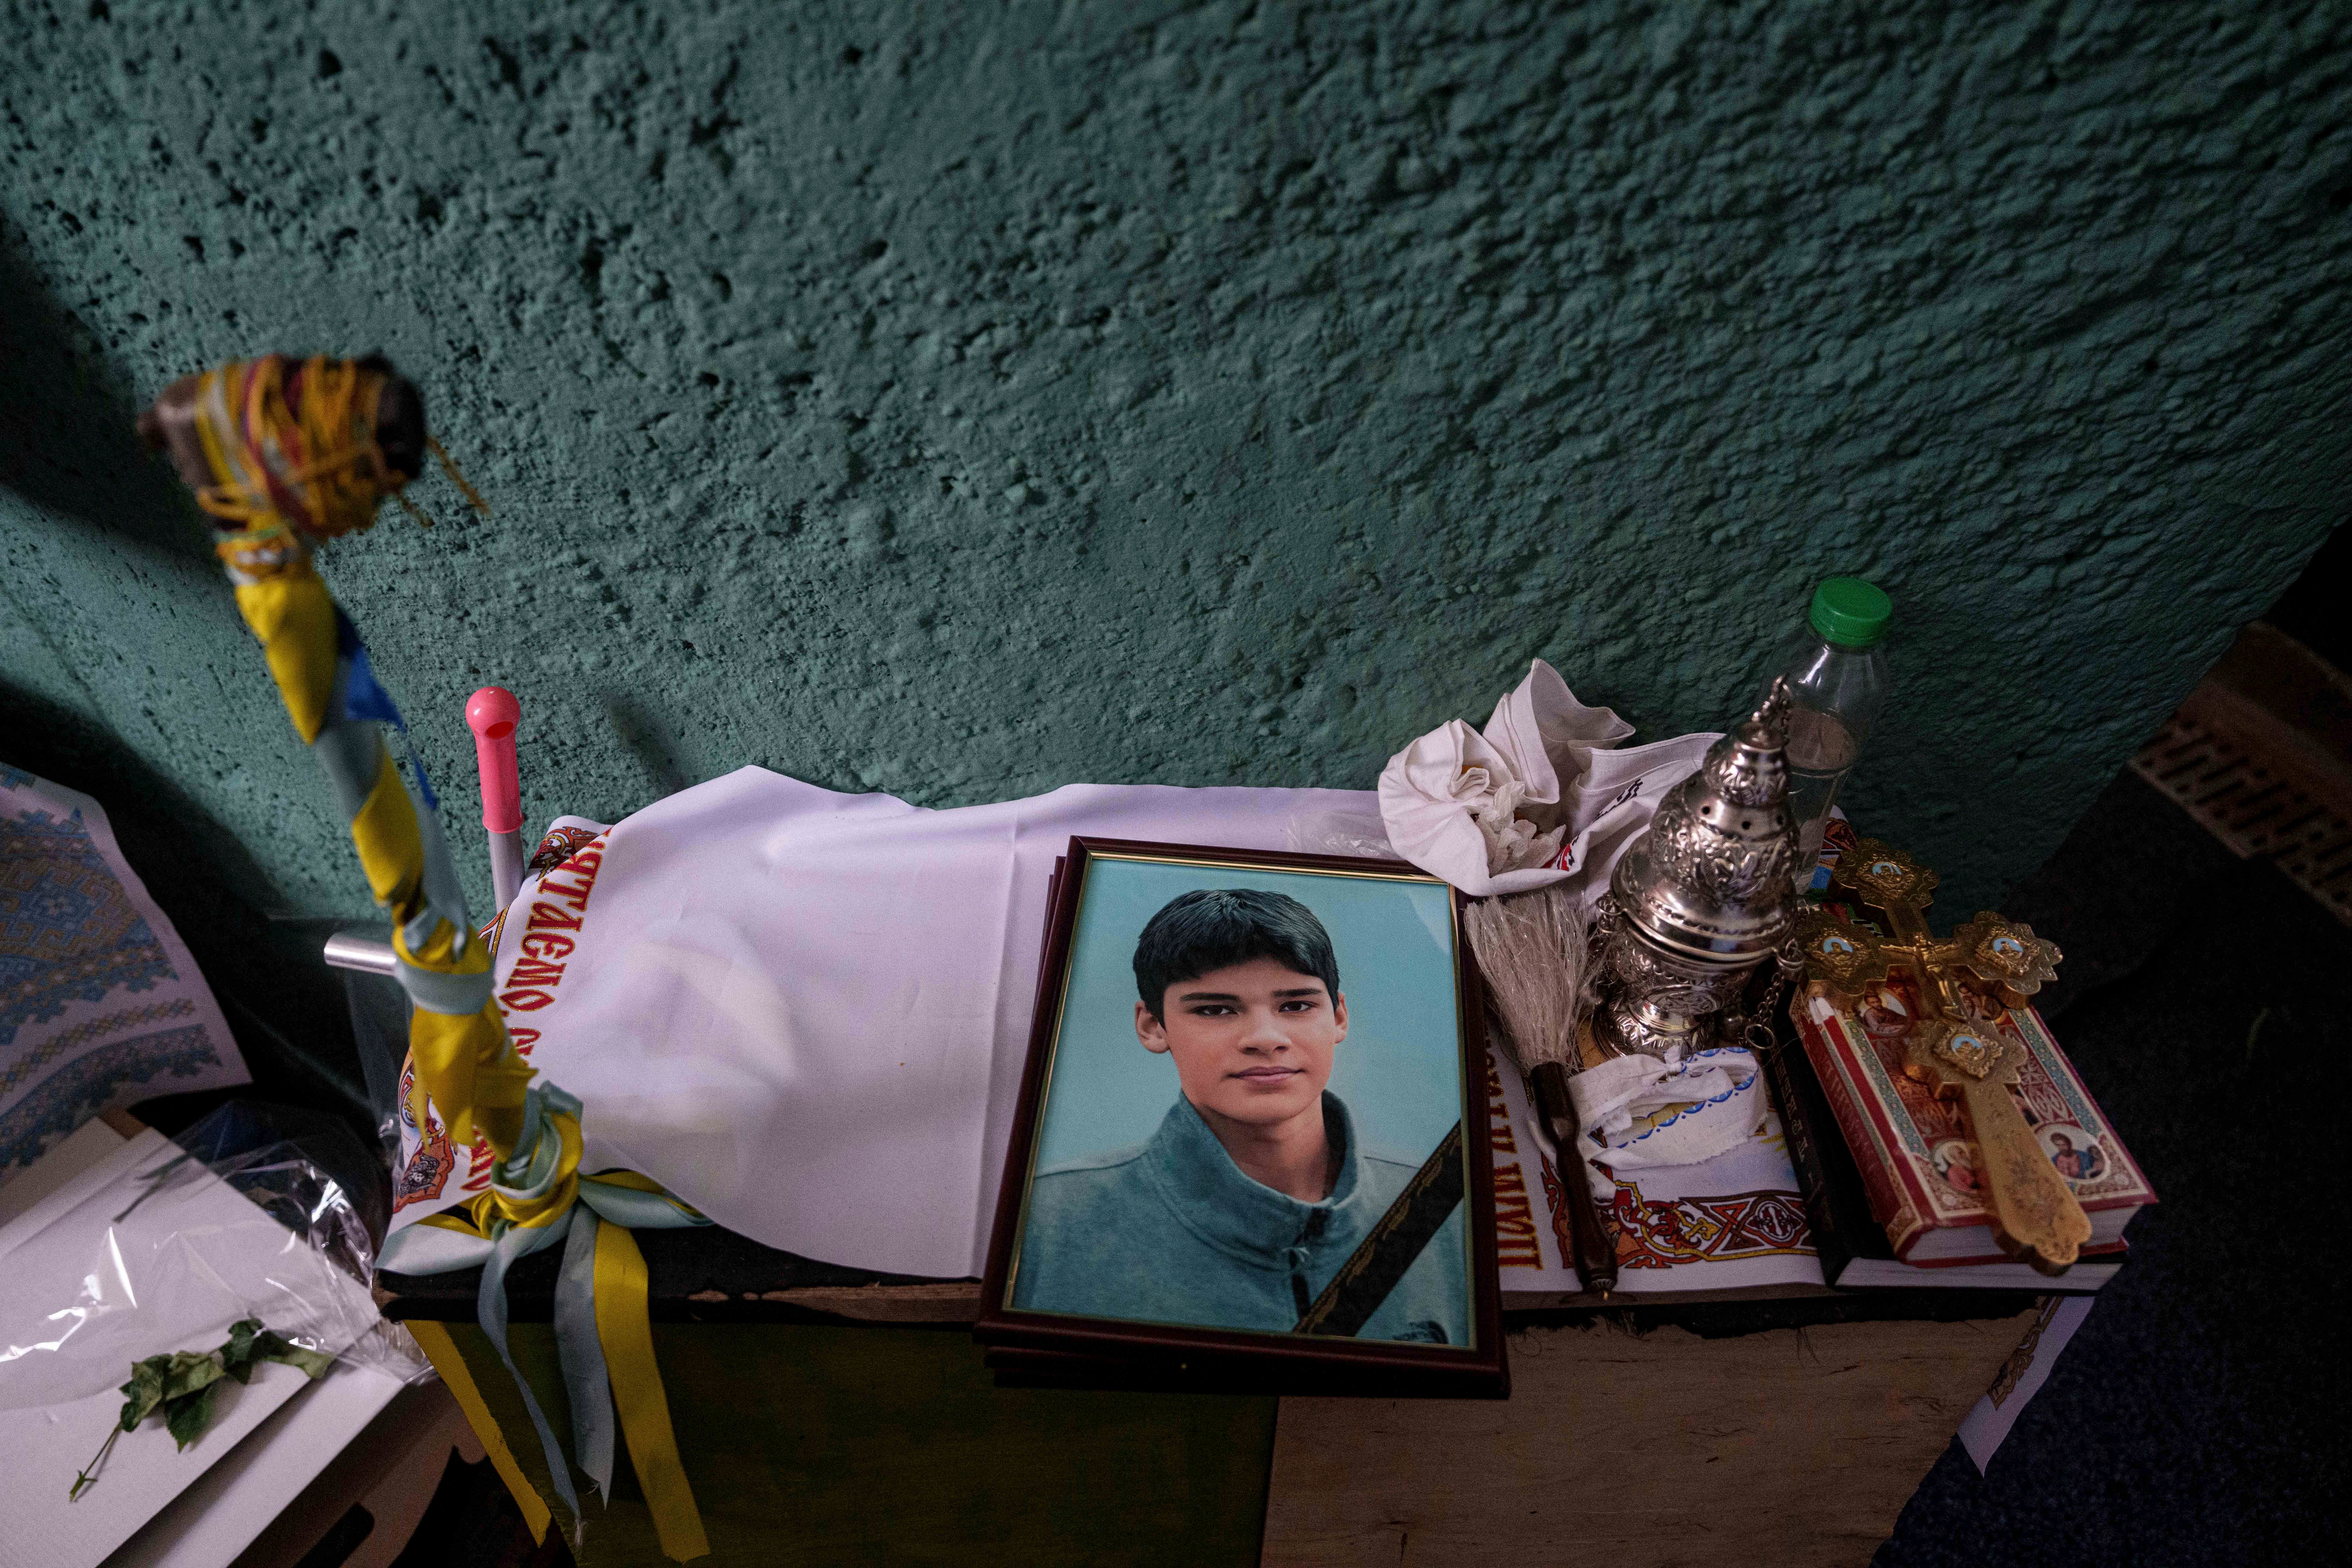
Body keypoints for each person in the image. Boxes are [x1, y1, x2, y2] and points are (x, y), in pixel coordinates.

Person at [1010, 888, 1467, 1344]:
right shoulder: (1047, 1222)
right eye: (1215, 1010)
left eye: (1297, 1006)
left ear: (1340, 1017)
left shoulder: (1449, 1210)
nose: (1266, 1038)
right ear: (1153, 1027)